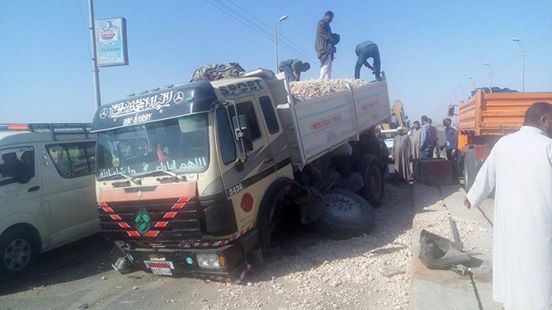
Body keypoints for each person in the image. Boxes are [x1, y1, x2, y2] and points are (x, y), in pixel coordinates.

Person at [465, 102, 552, 310]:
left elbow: (487, 174)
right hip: (539, 224)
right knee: (539, 275)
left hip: (510, 223)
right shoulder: (547, 147)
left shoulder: (504, 143)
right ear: (544, 121)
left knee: (513, 268)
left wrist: (472, 197)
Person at [315, 11, 335, 80]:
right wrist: (332, 39)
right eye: (331, 18)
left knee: (328, 66)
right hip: (323, 48)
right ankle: (320, 81)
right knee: (326, 65)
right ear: (327, 16)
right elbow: (325, 35)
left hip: (324, 48)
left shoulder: (324, 23)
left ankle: (327, 81)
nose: (331, 20)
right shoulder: (322, 23)